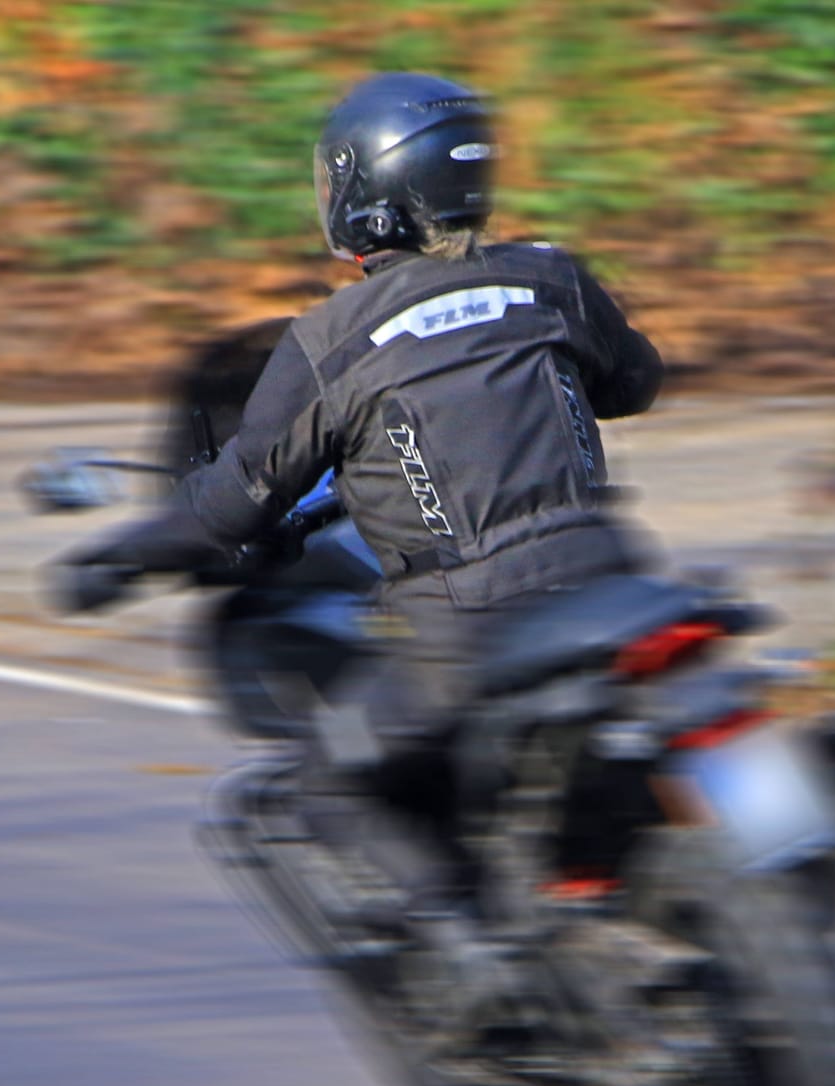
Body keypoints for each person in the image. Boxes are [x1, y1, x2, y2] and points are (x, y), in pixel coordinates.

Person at [69, 72, 664, 899]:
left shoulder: (335, 339)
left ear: (368, 189)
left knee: (325, 779)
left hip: (464, 632)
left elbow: (234, 498)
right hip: (614, 582)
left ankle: (476, 965)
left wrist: (117, 558)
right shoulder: (550, 278)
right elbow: (635, 382)